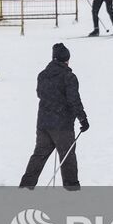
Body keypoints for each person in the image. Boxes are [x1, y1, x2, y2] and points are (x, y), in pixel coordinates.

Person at [18, 43, 89, 190]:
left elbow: (40, 94)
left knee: (39, 155)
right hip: (62, 126)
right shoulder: (69, 77)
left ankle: (26, 186)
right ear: (66, 59)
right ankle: (72, 189)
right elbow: (73, 100)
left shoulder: (42, 75)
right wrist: (83, 118)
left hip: (43, 124)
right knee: (67, 156)